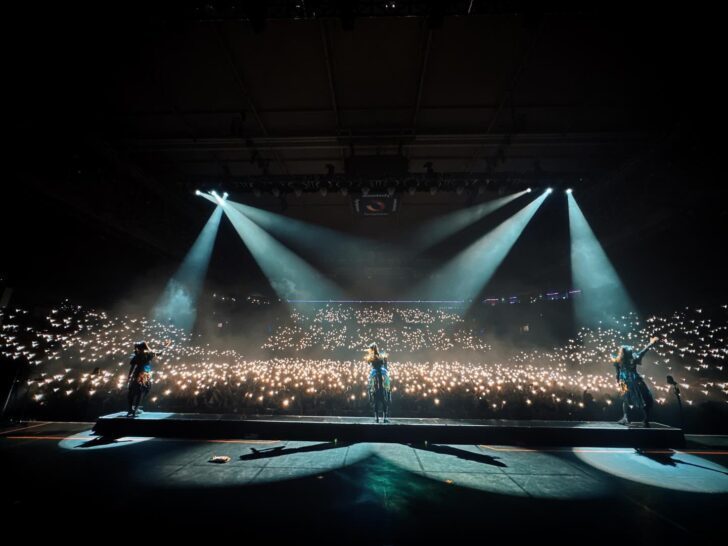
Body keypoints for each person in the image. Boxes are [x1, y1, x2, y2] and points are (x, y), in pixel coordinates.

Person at [612, 336, 659, 427]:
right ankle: (645, 419)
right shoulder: (634, 358)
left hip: (623, 382)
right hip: (635, 381)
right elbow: (644, 351)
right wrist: (651, 343)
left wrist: (618, 381)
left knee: (625, 399)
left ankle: (626, 417)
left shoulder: (618, 360)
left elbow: (617, 373)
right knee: (642, 398)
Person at [126, 341, 156, 418]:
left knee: (132, 392)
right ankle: (135, 410)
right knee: (142, 392)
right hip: (144, 375)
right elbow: (158, 353)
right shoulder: (148, 355)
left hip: (136, 374)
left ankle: (130, 409)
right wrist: (166, 346)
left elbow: (132, 367)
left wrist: (129, 377)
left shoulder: (136, 356)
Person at [366, 343, 391, 423]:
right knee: (370, 380)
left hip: (380, 370)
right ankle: (371, 392)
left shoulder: (379, 355)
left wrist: (383, 360)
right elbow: (369, 363)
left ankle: (387, 392)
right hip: (375, 370)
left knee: (387, 378)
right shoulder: (372, 356)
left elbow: (383, 362)